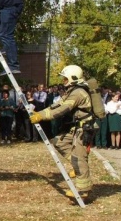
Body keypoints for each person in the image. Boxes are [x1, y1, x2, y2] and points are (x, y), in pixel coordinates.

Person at [29, 65, 97, 200]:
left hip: (85, 129)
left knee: (79, 158)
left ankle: (83, 190)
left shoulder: (78, 93)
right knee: (58, 142)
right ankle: (76, 166)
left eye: (65, 78)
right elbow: (57, 105)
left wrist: (42, 117)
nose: (63, 81)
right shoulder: (71, 91)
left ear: (73, 78)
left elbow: (63, 109)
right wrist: (40, 113)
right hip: (76, 127)